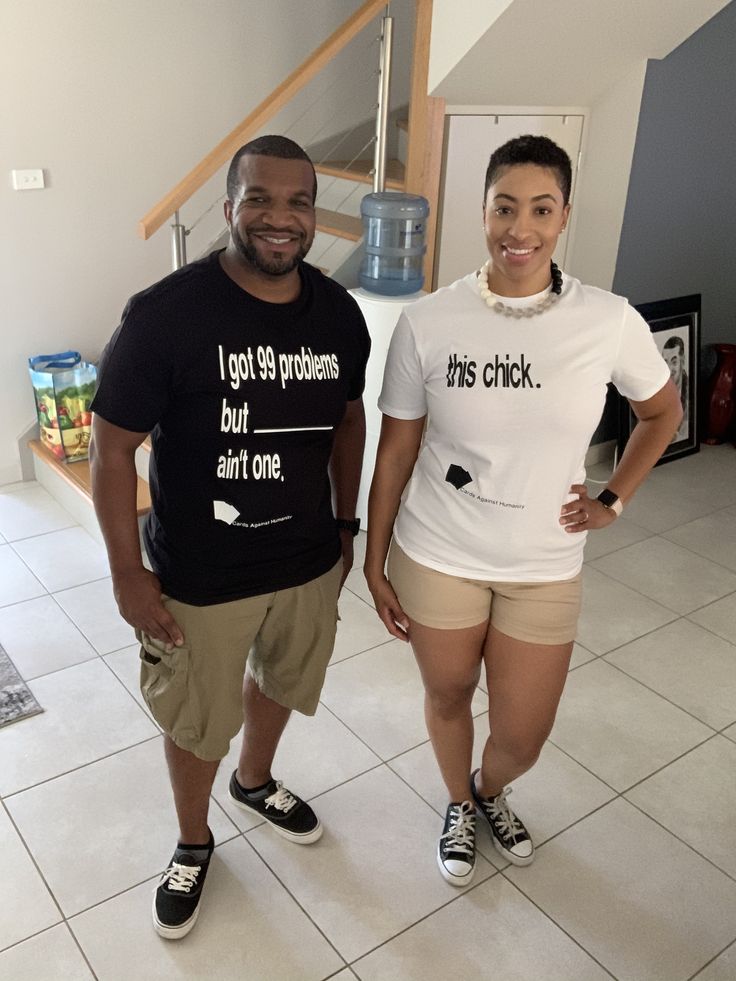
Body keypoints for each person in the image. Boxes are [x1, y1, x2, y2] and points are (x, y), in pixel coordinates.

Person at [364, 134, 682, 887]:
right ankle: (456, 803)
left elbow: (662, 412)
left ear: (564, 215)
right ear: (482, 211)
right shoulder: (431, 321)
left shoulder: (607, 320)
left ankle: (489, 788)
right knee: (446, 694)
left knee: (522, 734)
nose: (520, 228)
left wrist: (613, 498)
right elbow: (396, 452)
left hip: (544, 563)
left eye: (541, 209)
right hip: (438, 552)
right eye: (505, 207)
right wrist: (373, 560)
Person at [90, 135, 370, 938]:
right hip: (200, 575)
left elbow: (349, 419)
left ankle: (254, 780)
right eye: (260, 200)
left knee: (283, 681)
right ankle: (193, 836)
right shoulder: (165, 316)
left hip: (307, 560)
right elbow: (111, 449)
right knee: (196, 719)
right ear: (229, 209)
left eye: (298, 202)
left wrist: (346, 524)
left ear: (315, 214)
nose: (280, 219)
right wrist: (126, 572)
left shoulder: (339, 314)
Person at [662, 335, 689, 441]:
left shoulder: (691, 391)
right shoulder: (657, 389)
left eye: (674, 362)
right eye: (665, 362)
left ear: (683, 361)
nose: (669, 369)